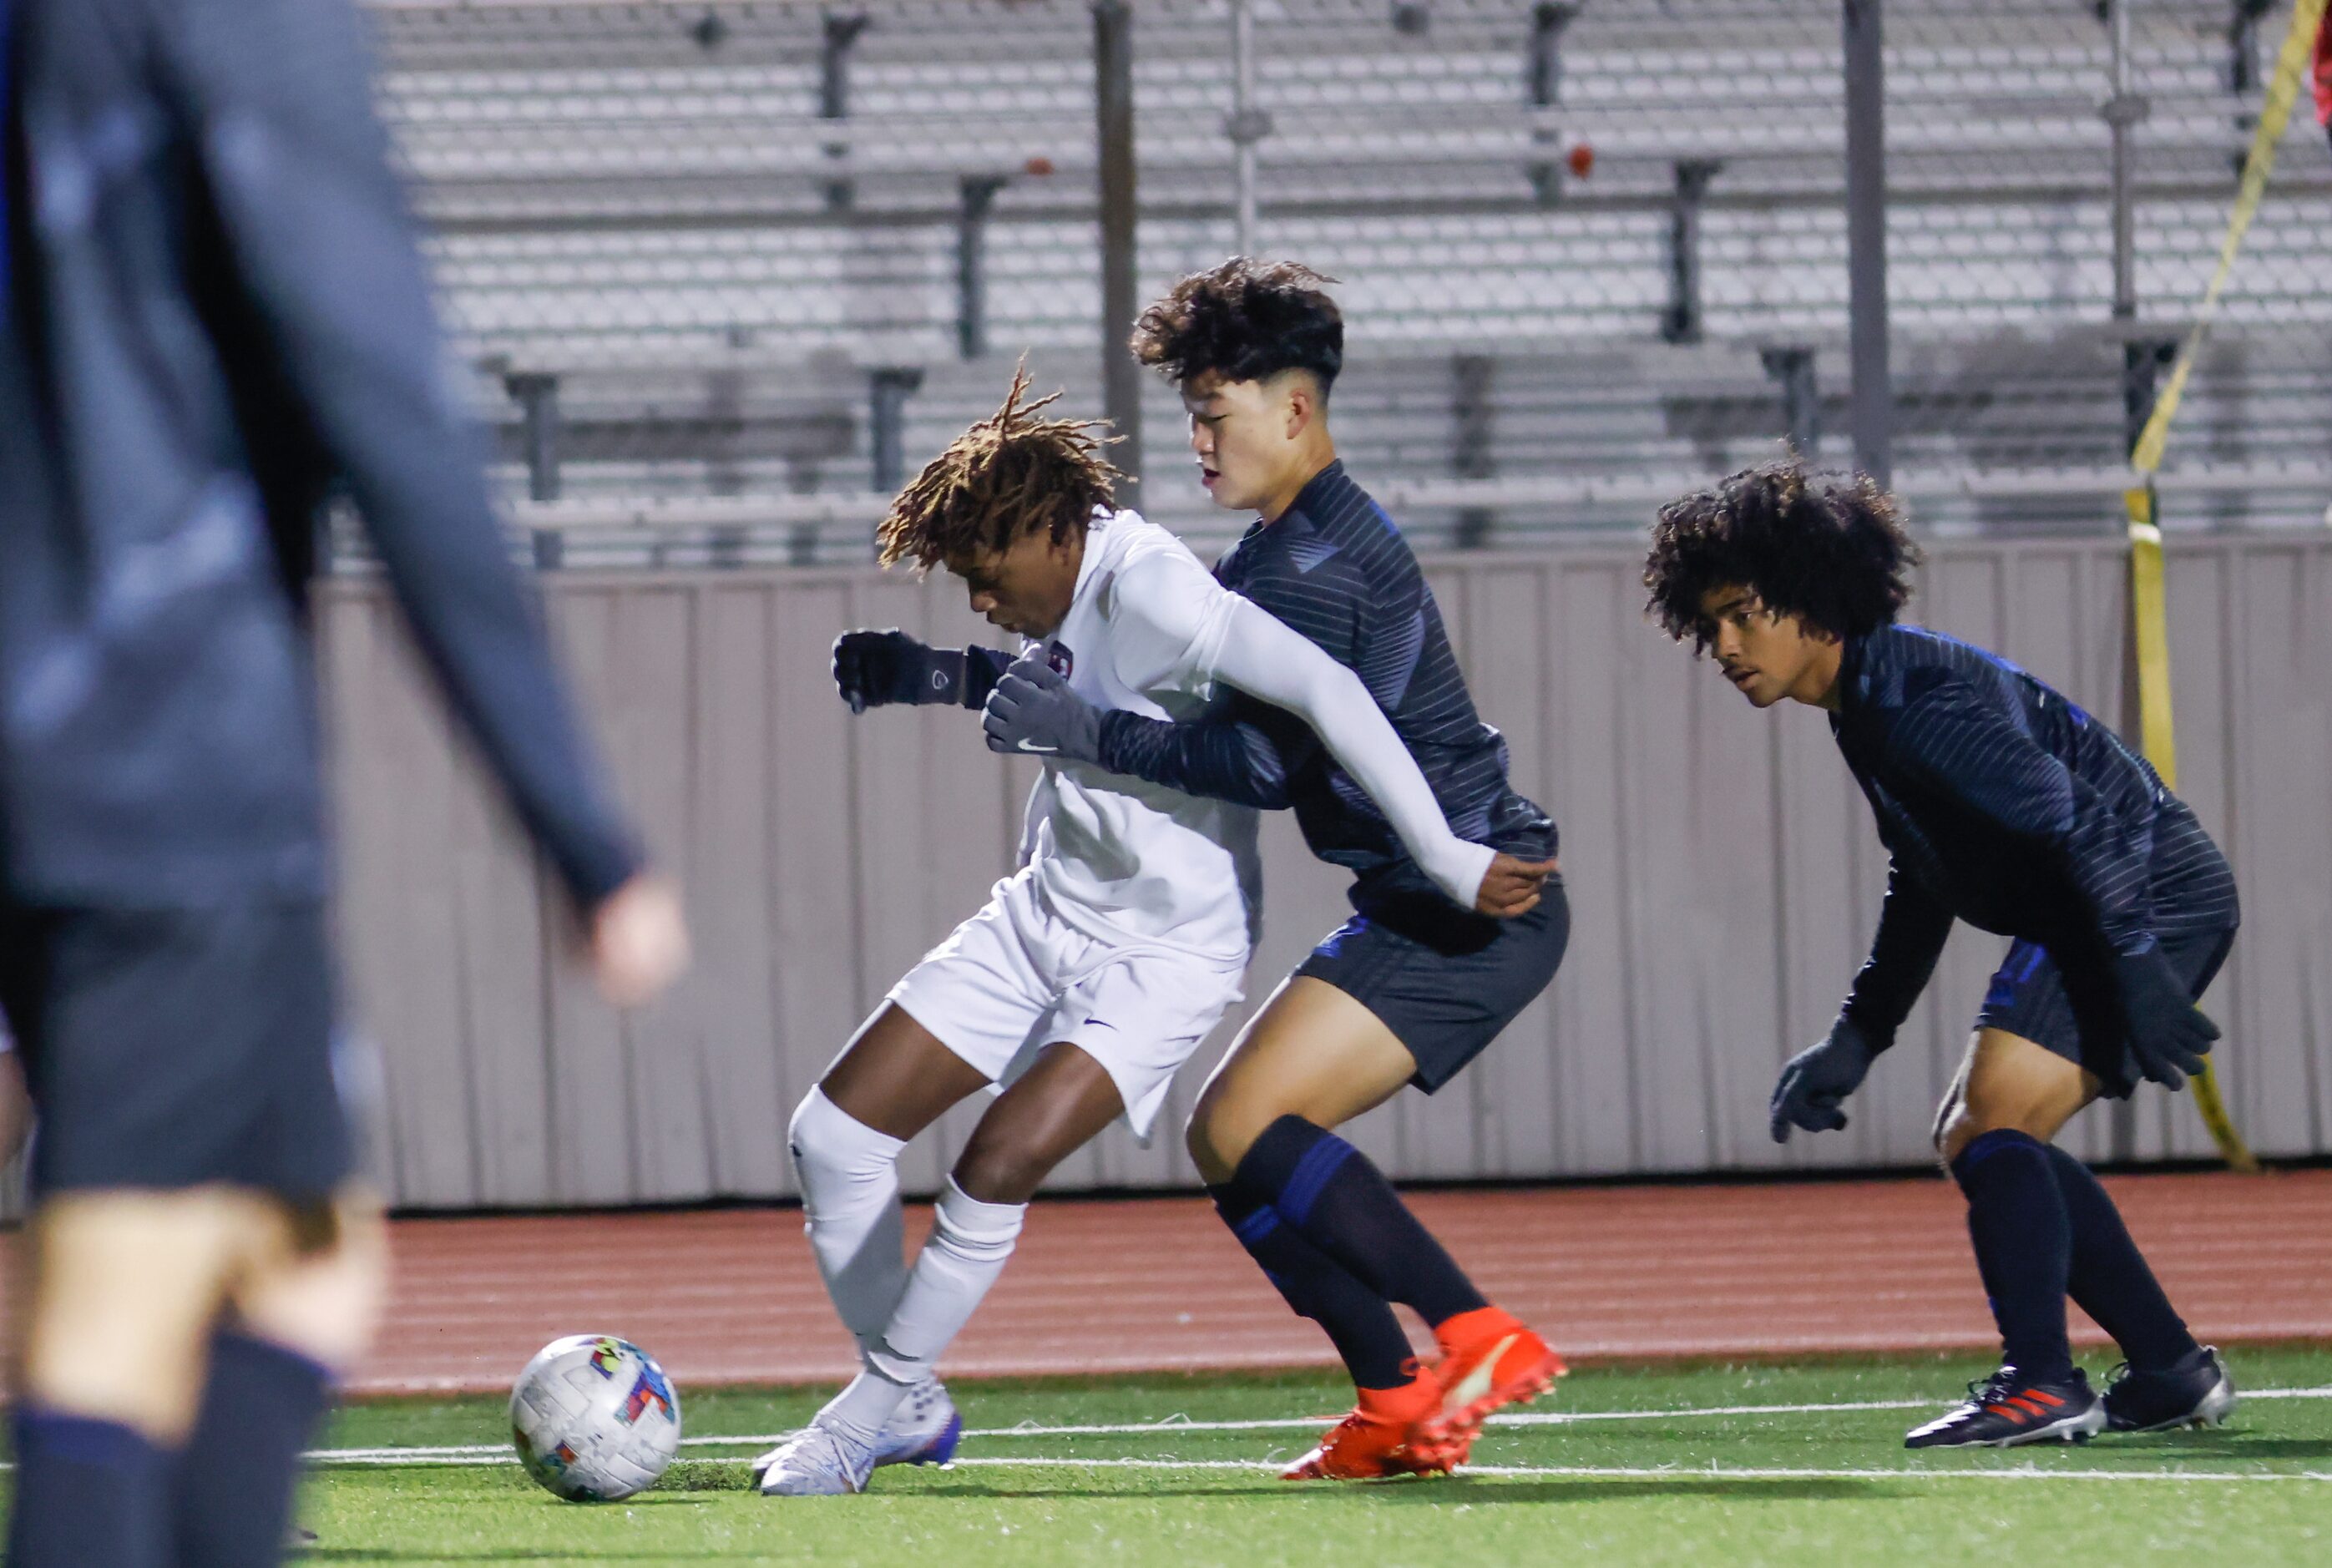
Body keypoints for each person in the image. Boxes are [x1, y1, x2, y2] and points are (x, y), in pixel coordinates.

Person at [0, 0, 689, 1561]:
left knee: (297, 1263)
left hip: (67, 755)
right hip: (151, 765)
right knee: (118, 1326)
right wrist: (580, 829)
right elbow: (382, 401)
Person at [756, 370, 1541, 1495]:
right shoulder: (1060, 587)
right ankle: (910, 1394)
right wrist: (927, 675)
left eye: (986, 578)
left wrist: (1447, 852)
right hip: (1043, 905)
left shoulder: (1158, 586)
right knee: (830, 1137)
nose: (980, 600)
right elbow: (1059, 690)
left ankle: (869, 1409)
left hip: (1166, 950)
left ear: (1045, 531)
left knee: (999, 1157)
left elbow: (1324, 689)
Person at [980, 260, 1567, 1479]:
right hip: (1423, 896)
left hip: (1471, 906)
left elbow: (1252, 764)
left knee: (1250, 1120)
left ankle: (1473, 1334)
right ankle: (1398, 1397)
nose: (1195, 440)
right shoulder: (1286, 550)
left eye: (1214, 412)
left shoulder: (1307, 568)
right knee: (1224, 1132)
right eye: (1190, 414)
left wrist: (1086, 730)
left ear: (1293, 409)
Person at [1642, 461, 2240, 1449]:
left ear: (1814, 597)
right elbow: (1924, 876)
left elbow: (2084, 825)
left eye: (1742, 614)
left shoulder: (1913, 705)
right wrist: (1860, 1033)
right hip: (2107, 903)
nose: (1725, 645)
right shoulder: (1871, 697)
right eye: (1710, 625)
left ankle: (2043, 1385)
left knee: (1992, 1124)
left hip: (2140, 893)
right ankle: (2169, 1370)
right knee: (1984, 1130)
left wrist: (2137, 963)